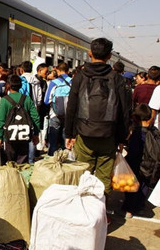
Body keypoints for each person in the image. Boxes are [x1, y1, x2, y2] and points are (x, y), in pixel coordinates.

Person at [64, 38, 131, 195]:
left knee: (83, 174)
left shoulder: (79, 77)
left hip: (83, 135)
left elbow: (71, 107)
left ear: (89, 54)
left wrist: (69, 134)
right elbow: (124, 111)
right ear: (109, 56)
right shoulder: (117, 79)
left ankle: (83, 211)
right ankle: (102, 213)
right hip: (109, 136)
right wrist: (122, 139)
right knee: (103, 178)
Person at [0, 74, 40, 164]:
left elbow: (1, 120)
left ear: (8, 85)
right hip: (24, 136)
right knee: (23, 164)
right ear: (20, 86)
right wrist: (35, 134)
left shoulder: (4, 100)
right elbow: (35, 117)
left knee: (9, 163)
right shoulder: (27, 99)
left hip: (9, 137)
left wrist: (0, 136)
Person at [122, 103, 153, 218]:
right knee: (144, 185)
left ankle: (129, 209)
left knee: (131, 185)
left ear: (135, 118)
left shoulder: (138, 133)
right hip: (149, 163)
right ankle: (140, 206)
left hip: (136, 163)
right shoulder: (152, 131)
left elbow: (134, 151)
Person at [44, 62, 72, 155]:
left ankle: (52, 158)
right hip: (69, 115)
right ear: (68, 71)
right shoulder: (72, 81)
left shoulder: (54, 82)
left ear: (57, 71)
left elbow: (46, 100)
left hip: (55, 114)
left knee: (53, 140)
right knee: (66, 139)